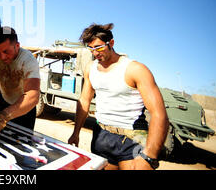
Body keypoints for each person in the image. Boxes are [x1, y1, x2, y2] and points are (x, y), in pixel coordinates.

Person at [67, 23, 169, 170]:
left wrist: (149, 156)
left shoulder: (135, 69)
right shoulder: (90, 68)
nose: (95, 53)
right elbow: (84, 100)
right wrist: (75, 133)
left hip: (131, 139)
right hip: (101, 136)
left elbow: (159, 114)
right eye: (91, 49)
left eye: (99, 47)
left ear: (112, 43)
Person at [0, 27, 40, 141]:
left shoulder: (28, 60)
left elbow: (33, 96)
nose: (2, 57)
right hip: (3, 102)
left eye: (6, 52)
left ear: (17, 46)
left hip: (24, 107)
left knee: (21, 145)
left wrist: (4, 116)